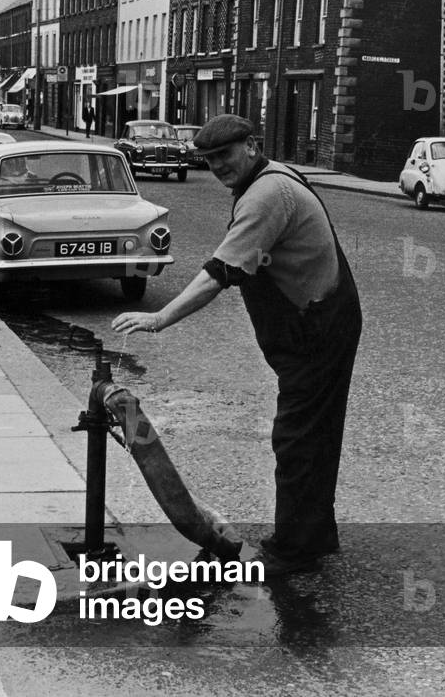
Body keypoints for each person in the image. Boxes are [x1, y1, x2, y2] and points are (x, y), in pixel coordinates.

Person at [113, 114, 362, 577]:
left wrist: (161, 317)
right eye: (208, 160)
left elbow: (218, 274)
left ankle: (292, 551)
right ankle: (314, 535)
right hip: (326, 320)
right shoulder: (273, 177)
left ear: (251, 146)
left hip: (317, 330)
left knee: (297, 439)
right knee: (317, 434)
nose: (218, 167)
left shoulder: (266, 195)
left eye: (225, 156)